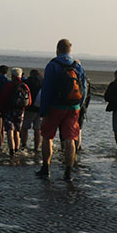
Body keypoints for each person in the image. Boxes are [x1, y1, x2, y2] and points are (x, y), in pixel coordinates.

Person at [35, 39, 87, 181]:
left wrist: (43, 111)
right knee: (70, 139)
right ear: (69, 50)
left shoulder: (53, 65)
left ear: (57, 49)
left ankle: (46, 168)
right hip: (73, 107)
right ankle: (68, 172)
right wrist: (79, 106)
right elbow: (84, 89)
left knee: (48, 137)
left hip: (55, 107)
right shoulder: (77, 66)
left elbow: (47, 89)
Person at [0, 67, 31, 155]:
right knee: (17, 131)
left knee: (10, 131)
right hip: (20, 111)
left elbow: (2, 98)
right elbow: (29, 101)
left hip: (9, 110)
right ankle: (17, 150)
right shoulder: (25, 86)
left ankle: (11, 151)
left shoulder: (8, 85)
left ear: (12, 75)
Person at [20, 69, 43, 152]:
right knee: (37, 129)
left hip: (30, 108)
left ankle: (23, 145)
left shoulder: (28, 81)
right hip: (40, 109)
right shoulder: (43, 81)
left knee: (25, 127)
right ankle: (37, 147)